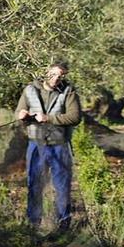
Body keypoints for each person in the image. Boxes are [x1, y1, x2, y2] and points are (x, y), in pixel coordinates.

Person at [15, 60, 82, 231]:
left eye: (61, 75)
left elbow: (75, 117)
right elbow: (19, 111)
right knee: (34, 184)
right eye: (54, 74)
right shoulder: (30, 89)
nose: (56, 78)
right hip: (35, 145)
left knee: (62, 186)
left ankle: (63, 223)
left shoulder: (69, 91)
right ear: (46, 71)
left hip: (60, 145)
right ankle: (33, 223)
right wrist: (21, 114)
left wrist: (49, 118)